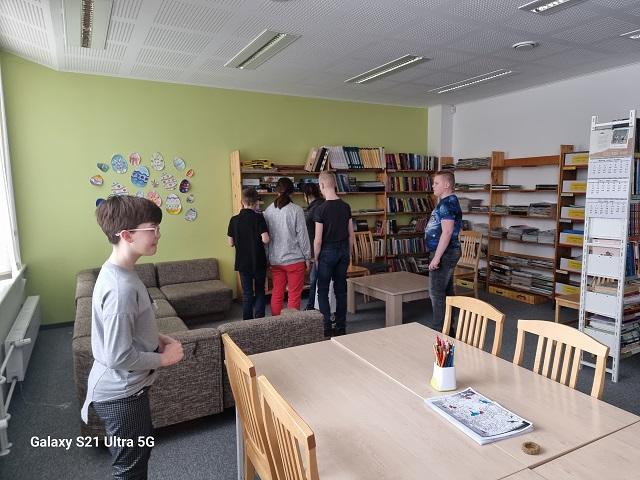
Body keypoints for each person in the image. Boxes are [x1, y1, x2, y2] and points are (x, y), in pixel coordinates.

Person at [82, 195, 184, 480]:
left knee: (137, 456)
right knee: (130, 470)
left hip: (128, 390)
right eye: (153, 229)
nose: (158, 234)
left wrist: (157, 338)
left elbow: (129, 328)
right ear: (126, 235)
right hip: (121, 395)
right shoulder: (120, 289)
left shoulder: (122, 271)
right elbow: (118, 356)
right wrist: (164, 359)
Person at [314, 171, 354, 337]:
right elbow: (351, 234)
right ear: (335, 184)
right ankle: (341, 326)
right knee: (341, 290)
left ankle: (326, 327)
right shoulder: (346, 206)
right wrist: (348, 253)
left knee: (323, 290)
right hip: (343, 250)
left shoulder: (320, 209)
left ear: (322, 185)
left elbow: (318, 240)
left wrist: (315, 257)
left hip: (327, 252)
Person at [263, 177, 311, 315]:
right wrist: (307, 257)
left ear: (276, 191)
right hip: (295, 260)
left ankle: (276, 323)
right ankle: (292, 324)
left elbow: (266, 239)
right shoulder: (296, 210)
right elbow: (302, 236)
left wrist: (267, 258)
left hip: (276, 260)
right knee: (294, 295)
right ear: (292, 192)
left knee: (277, 293)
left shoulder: (268, 211)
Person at [425, 170, 462, 332]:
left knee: (436, 292)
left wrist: (437, 257)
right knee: (446, 291)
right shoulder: (446, 202)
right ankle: (449, 330)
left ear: (447, 185)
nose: (433, 186)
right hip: (445, 252)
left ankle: (438, 330)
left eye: (436, 183)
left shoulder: (447, 204)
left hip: (445, 253)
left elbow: (447, 232)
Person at [228, 187, 270, 319]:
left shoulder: (234, 220)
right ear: (256, 202)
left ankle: (247, 321)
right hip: (258, 261)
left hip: (242, 262)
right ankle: (259, 319)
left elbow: (230, 243)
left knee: (247, 293)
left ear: (242, 201)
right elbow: (266, 239)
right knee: (260, 291)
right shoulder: (259, 218)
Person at [302, 182, 325, 310]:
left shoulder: (314, 209)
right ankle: (313, 305)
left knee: (314, 279)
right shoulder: (323, 204)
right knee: (316, 278)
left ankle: (311, 306)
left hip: (318, 248)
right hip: (323, 246)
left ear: (305, 195)